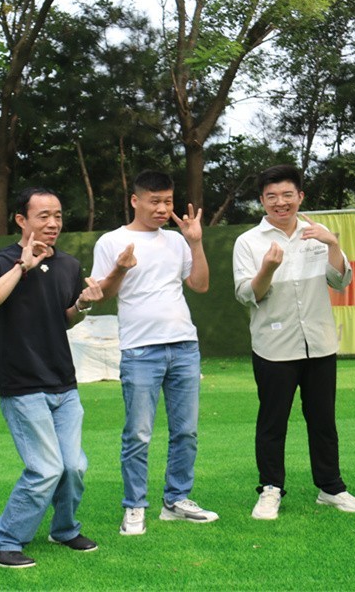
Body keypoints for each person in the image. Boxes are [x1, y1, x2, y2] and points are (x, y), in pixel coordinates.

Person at [0, 187, 102, 568]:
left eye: (57, 216)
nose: (53, 223)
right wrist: (22, 267)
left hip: (64, 384)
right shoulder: (0, 261)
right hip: (22, 385)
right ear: (21, 220)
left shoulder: (69, 265)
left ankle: (64, 529)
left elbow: (63, 319)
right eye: (43, 216)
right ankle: (0, 542)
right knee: (46, 469)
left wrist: (81, 304)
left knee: (74, 466)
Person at [231, 164, 355, 521]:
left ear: (300, 196)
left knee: (323, 421)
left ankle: (331, 488)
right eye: (272, 196)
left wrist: (333, 243)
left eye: (287, 195)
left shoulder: (317, 234)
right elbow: (247, 295)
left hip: (320, 343)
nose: (281, 202)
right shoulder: (248, 242)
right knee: (272, 422)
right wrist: (267, 269)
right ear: (262, 201)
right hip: (273, 347)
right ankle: (270, 489)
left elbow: (340, 281)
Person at [91, 170, 217, 536]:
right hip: (140, 350)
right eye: (155, 201)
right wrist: (120, 268)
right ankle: (134, 506)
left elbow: (200, 285)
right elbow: (103, 294)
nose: (162, 209)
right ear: (135, 200)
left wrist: (195, 242)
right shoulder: (112, 241)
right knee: (138, 434)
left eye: (168, 202)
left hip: (184, 346)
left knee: (186, 432)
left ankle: (176, 500)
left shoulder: (177, 241)